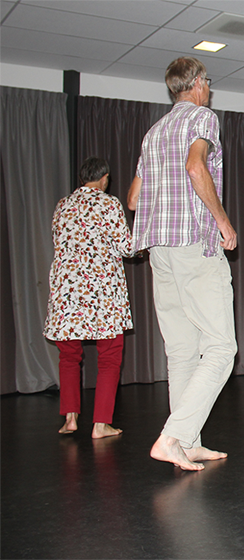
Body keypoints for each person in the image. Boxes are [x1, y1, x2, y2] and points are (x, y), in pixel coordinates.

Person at [128, 57, 237, 471]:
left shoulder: (152, 134)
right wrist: (223, 221)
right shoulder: (203, 118)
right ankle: (172, 436)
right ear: (195, 86)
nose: (209, 87)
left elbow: (135, 200)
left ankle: (186, 442)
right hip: (193, 242)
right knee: (222, 348)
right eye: (207, 81)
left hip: (159, 249)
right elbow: (196, 167)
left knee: (182, 352)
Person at [44, 157, 134, 439]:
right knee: (109, 356)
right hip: (102, 293)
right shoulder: (109, 204)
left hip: (67, 293)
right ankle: (100, 424)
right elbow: (126, 247)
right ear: (104, 178)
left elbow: (59, 242)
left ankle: (70, 419)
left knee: (68, 356)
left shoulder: (62, 205)